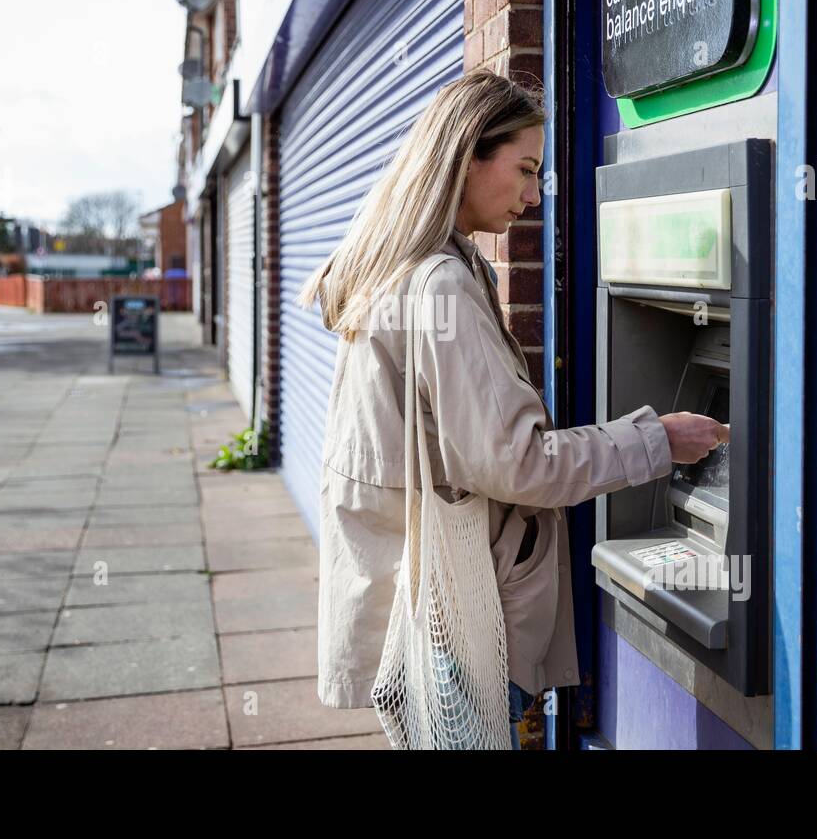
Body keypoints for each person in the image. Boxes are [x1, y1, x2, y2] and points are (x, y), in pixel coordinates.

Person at [297, 69, 729, 749]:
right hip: (462, 617)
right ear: (467, 153)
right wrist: (658, 440)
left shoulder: (398, 269)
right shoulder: (441, 285)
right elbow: (516, 463)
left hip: (420, 602)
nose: (534, 195)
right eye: (525, 170)